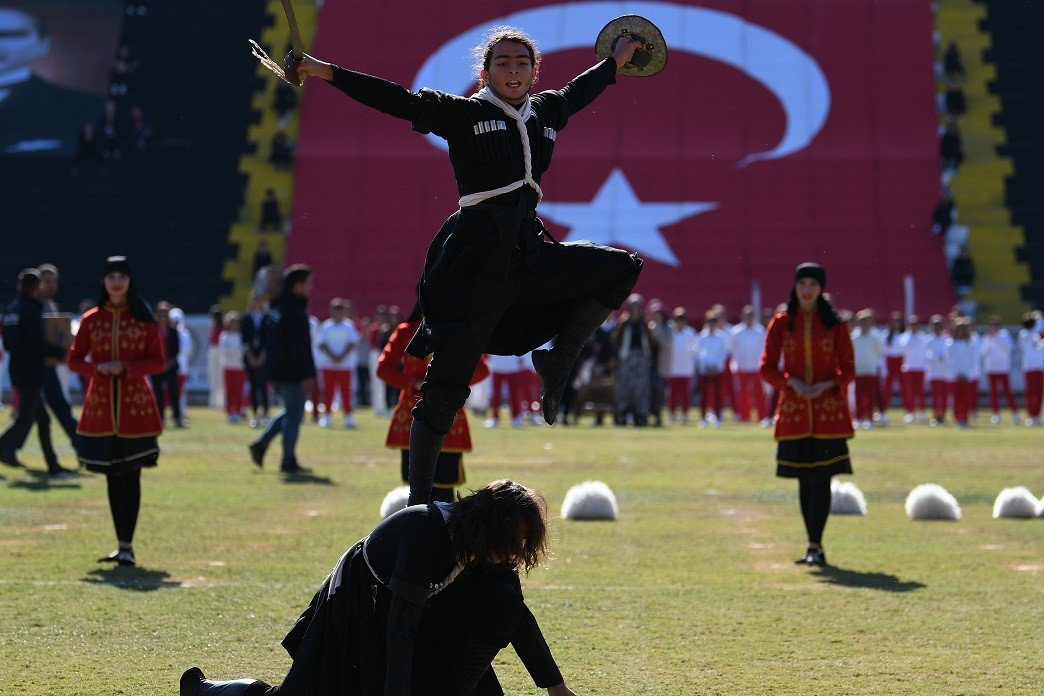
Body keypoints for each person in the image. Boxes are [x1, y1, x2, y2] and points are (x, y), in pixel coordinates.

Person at [292, 27, 645, 504]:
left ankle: (558, 358)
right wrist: (325, 71)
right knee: (446, 389)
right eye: (503, 62)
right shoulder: (465, 112)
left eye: (522, 61)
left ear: (535, 71)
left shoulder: (545, 110)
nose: (514, 68)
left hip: (529, 247)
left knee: (622, 268)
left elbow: (581, 89)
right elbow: (399, 100)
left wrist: (616, 62)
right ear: (485, 71)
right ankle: (417, 506)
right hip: (475, 260)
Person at [181, 480, 577, 696]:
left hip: (398, 613)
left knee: (503, 604)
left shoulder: (485, 549)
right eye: (512, 539)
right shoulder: (426, 534)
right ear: (491, 526)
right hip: (355, 603)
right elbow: (400, 628)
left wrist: (557, 689)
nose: (514, 551)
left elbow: (516, 616)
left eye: (521, 544)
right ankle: (204, 691)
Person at [67, 257, 164, 566]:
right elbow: (73, 360)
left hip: (135, 408)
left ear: (129, 281)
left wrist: (125, 367)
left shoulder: (143, 319)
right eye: (111, 277)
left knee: (131, 475)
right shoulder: (91, 319)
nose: (117, 282)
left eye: (122, 276)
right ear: (104, 282)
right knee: (111, 475)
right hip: (101, 408)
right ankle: (120, 543)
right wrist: (97, 369)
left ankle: (127, 545)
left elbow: (158, 362)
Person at [760, 263, 855, 566]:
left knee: (823, 477)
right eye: (803, 283)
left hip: (828, 413)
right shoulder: (781, 322)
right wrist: (791, 383)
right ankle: (812, 545)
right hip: (796, 411)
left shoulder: (836, 325)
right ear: (795, 286)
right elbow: (766, 368)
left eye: (813, 283)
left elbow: (849, 368)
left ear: (821, 288)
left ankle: (816, 544)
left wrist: (830, 383)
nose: (807, 289)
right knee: (804, 478)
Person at [378, 305, 489, 502]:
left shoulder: (457, 329)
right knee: (417, 491)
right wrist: (413, 383)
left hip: (446, 412)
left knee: (445, 491)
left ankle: (444, 532)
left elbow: (481, 369)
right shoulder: (405, 331)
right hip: (414, 412)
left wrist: (448, 383)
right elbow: (383, 369)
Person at [0, 269, 72, 477]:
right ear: (37, 287)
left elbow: (10, 344)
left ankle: (53, 465)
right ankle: (51, 465)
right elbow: (35, 344)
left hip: (18, 370)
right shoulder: (31, 309)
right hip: (31, 372)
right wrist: (59, 351)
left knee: (42, 419)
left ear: (19, 287)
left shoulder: (11, 310)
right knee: (25, 419)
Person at [248, 265, 316, 474]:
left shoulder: (278, 306)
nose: (311, 287)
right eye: (308, 283)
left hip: (277, 369)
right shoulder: (294, 310)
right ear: (297, 285)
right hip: (291, 371)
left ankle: (261, 445)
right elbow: (297, 346)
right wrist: (306, 374)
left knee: (290, 410)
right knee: (295, 415)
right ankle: (288, 461)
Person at [610, 295, 656, 426]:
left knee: (641, 387)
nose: (635, 310)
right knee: (624, 386)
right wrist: (616, 358)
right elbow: (616, 341)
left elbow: (650, 342)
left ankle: (640, 415)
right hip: (626, 358)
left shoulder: (644, 324)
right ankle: (622, 413)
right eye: (633, 307)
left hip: (641, 359)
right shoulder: (623, 323)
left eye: (637, 307)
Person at [317, 298, 361, 428]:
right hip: (328, 365)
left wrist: (341, 356)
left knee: (346, 392)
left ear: (344, 311)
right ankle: (327, 416)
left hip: (345, 366)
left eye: (340, 310)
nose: (337, 312)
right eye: (335, 310)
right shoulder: (326, 326)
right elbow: (321, 343)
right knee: (328, 392)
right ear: (331, 311)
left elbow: (352, 343)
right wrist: (333, 356)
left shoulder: (349, 325)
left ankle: (348, 417)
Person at [730, 305, 768, 426]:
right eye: (747, 316)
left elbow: (764, 348)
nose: (749, 318)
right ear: (743, 316)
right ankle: (744, 415)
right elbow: (733, 349)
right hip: (742, 366)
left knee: (758, 393)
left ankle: (762, 416)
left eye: (751, 316)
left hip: (756, 366)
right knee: (742, 392)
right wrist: (736, 363)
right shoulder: (736, 331)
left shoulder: (760, 330)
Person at [151, 302, 184, 427]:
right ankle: (160, 419)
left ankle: (177, 418)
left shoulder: (173, 331)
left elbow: (176, 350)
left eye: (165, 315)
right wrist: (159, 363)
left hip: (170, 366)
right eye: (161, 315)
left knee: (173, 393)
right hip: (157, 366)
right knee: (158, 394)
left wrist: (168, 363)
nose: (163, 317)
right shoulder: (153, 330)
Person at [980, 316, 1018, 424]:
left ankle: (1015, 412)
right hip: (991, 368)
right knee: (993, 393)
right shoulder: (986, 337)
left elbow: (1009, 348)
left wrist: (996, 338)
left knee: (1007, 391)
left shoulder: (1004, 335)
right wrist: (989, 340)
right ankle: (996, 414)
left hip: (1003, 368)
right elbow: (983, 352)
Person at [851, 310, 883, 429]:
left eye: (867, 322)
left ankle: (869, 418)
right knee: (858, 396)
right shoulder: (854, 337)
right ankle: (858, 418)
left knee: (870, 396)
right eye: (863, 322)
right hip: (858, 371)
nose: (865, 325)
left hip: (871, 371)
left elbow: (878, 352)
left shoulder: (874, 338)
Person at [241, 294, 270, 427]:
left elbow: (268, 338)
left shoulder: (267, 317)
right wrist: (251, 357)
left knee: (263, 386)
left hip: (264, 356)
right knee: (253, 386)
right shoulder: (246, 318)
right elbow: (244, 340)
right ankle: (254, 414)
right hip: (250, 356)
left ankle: (265, 413)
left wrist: (263, 356)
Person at [696, 311, 728, 428]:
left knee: (718, 394)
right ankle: (703, 418)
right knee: (703, 395)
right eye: (710, 321)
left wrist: (716, 366)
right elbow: (699, 353)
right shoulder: (701, 336)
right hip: (705, 370)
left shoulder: (721, 337)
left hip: (717, 370)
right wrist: (706, 366)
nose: (712, 324)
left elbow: (723, 353)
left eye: (714, 322)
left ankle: (717, 417)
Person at [666, 307, 697, 424]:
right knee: (672, 393)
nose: (680, 322)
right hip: (673, 368)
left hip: (686, 368)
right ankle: (672, 414)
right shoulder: (671, 332)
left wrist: (686, 353)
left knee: (685, 393)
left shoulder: (690, 332)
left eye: (682, 319)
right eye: (678, 319)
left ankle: (684, 414)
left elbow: (695, 350)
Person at [945, 320, 976, 428]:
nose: (960, 332)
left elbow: (972, 361)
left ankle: (965, 419)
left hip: (966, 377)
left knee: (966, 398)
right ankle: (958, 419)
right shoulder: (950, 344)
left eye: (962, 329)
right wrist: (956, 374)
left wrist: (966, 374)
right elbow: (949, 361)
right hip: (955, 377)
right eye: (958, 329)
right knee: (956, 399)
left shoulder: (970, 344)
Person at [899, 315, 929, 423]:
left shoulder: (922, 338)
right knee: (909, 392)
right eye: (912, 325)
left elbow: (925, 354)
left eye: (915, 324)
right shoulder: (905, 336)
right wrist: (909, 333)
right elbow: (904, 345)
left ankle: (922, 412)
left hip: (920, 368)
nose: (914, 327)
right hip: (909, 368)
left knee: (920, 392)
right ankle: (910, 412)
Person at [219, 312, 247, 423]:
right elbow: (224, 351)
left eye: (236, 323)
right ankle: (231, 412)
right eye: (232, 323)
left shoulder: (241, 336)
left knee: (239, 390)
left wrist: (235, 353)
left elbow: (243, 350)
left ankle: (239, 411)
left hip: (239, 367)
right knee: (229, 390)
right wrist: (236, 352)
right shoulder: (225, 336)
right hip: (228, 367)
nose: (234, 325)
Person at [485, 353, 526, 428]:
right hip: (496, 367)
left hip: (512, 367)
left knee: (514, 395)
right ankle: (494, 418)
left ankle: (516, 418)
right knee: (495, 395)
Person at [924, 315, 951, 426]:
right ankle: (935, 415)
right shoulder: (928, 340)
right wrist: (936, 358)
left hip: (945, 372)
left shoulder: (947, 339)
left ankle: (942, 416)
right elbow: (925, 356)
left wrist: (943, 358)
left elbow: (949, 355)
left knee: (944, 395)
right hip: (934, 372)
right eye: (935, 326)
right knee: (935, 395)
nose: (937, 328)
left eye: (939, 326)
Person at [1018, 311, 1043, 426]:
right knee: (1030, 392)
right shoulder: (1023, 334)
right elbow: (1031, 334)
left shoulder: (1038, 333)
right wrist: (1036, 320)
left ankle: (1036, 415)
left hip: (1040, 367)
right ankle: (1031, 415)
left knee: (1039, 393)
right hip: (1029, 367)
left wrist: (1038, 318)